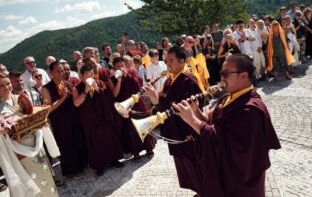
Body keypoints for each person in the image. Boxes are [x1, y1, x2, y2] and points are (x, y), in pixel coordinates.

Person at [172, 54, 281, 197]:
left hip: (239, 181)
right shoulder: (227, 97)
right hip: (223, 173)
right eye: (221, 73)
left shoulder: (250, 109)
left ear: (244, 75)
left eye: (226, 73)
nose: (221, 78)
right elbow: (208, 120)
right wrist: (196, 111)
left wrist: (192, 121)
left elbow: (227, 145)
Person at [144, 46, 203, 196]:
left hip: (186, 133)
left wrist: (158, 101)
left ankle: (205, 190)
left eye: (171, 60)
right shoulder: (170, 79)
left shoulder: (189, 80)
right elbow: (166, 98)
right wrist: (153, 96)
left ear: (182, 61)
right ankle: (199, 189)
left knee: (195, 163)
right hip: (174, 131)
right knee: (184, 165)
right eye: (166, 60)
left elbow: (183, 108)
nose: (167, 63)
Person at [0, 73, 58, 196]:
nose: (6, 87)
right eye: (1, 85)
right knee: (32, 183)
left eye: (8, 83)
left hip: (36, 143)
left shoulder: (21, 97)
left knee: (46, 178)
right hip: (19, 149)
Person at [72, 65, 123, 176]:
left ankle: (114, 159)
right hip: (90, 119)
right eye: (87, 75)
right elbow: (76, 103)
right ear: (82, 76)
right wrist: (85, 90)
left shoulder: (99, 83)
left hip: (103, 116)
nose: (90, 77)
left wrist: (98, 90)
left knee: (109, 138)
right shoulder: (77, 88)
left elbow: (108, 97)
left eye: (92, 74)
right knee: (95, 142)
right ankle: (100, 165)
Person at [41, 61, 87, 178]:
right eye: (58, 71)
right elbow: (48, 109)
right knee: (66, 146)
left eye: (63, 70)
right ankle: (72, 171)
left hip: (73, 117)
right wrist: (62, 97)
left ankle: (82, 165)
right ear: (51, 72)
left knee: (78, 141)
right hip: (60, 121)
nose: (61, 73)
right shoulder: (46, 89)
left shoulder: (68, 83)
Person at [112, 57, 155, 160]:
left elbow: (138, 86)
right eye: (117, 67)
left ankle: (149, 149)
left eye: (121, 66)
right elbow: (115, 95)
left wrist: (128, 76)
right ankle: (136, 152)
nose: (120, 68)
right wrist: (118, 80)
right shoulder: (113, 77)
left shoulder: (132, 72)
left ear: (125, 65)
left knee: (144, 125)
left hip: (137, 103)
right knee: (130, 129)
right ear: (114, 68)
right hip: (125, 106)